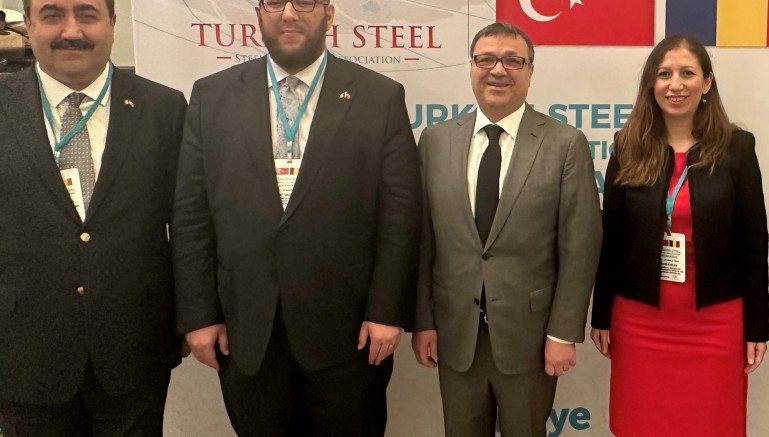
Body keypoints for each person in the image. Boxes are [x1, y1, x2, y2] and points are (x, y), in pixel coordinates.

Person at [172, 0, 421, 434]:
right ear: (258, 13)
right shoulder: (212, 96)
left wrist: (387, 310)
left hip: (349, 338)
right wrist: (199, 314)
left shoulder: (379, 96)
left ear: (329, 13)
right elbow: (192, 215)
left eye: (304, 1)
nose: (288, 13)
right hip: (247, 334)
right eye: (274, 2)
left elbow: (399, 215)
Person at [0, 0, 186, 435]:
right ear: (28, 25)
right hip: (22, 349)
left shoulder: (164, 107)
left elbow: (188, 225)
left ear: (112, 24)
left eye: (87, 14)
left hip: (135, 347)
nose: (72, 30)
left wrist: (193, 316)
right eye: (52, 15)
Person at [411, 22, 602, 436]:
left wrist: (563, 332)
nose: (498, 70)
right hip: (455, 334)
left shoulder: (564, 143)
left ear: (530, 70)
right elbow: (423, 241)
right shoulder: (435, 141)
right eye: (486, 59)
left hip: (531, 339)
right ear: (471, 67)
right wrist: (423, 321)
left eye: (513, 61)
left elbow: (580, 247)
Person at [590, 35, 769, 437]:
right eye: (664, 74)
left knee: (712, 425)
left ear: (707, 82)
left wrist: (757, 326)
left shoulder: (737, 148)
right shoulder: (628, 146)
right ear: (651, 84)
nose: (675, 84)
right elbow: (612, 239)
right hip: (640, 321)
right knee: (642, 425)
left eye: (687, 73)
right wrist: (600, 314)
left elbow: (754, 244)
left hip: (716, 322)